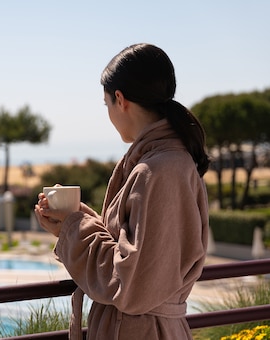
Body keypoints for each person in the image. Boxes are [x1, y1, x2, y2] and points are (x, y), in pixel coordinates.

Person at [34, 43, 210, 340]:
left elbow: (133, 283)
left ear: (120, 99)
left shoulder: (160, 170)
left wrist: (76, 228)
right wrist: (71, 221)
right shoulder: (159, 162)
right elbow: (133, 251)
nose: (109, 115)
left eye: (107, 105)